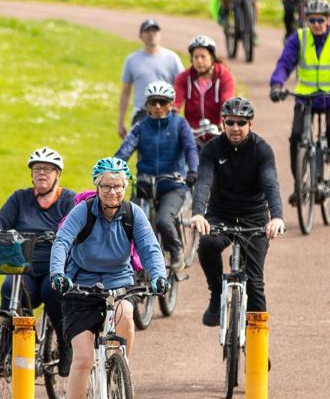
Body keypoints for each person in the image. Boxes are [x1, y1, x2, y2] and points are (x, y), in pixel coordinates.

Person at [50, 158, 168, 399]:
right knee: (84, 358)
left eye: (117, 186)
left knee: (126, 313)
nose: (112, 191)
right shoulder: (82, 212)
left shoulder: (133, 214)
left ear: (126, 186)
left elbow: (149, 247)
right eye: (106, 186)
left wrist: (158, 276)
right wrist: (58, 274)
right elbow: (62, 241)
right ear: (97, 187)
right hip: (81, 287)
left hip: (119, 283)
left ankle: (120, 368)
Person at [0, 148, 78, 368]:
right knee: (10, 288)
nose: (42, 173)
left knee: (53, 291)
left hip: (54, 267)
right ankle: (7, 345)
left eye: (47, 169)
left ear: (57, 174)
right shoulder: (20, 198)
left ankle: (65, 343)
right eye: (37, 169)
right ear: (31, 174)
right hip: (24, 268)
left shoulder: (69, 199)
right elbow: (0, 220)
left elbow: (77, 227)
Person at [190, 97, 285, 327]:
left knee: (254, 283)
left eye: (241, 123)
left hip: (253, 217)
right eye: (230, 122)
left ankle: (258, 350)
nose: (235, 128)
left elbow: (271, 184)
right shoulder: (212, 149)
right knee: (208, 245)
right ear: (223, 123)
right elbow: (203, 182)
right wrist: (198, 213)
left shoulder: (262, 150)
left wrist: (277, 217)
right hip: (220, 213)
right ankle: (216, 294)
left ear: (250, 124)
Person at [269, 0, 330, 199]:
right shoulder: (299, 38)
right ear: (306, 21)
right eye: (312, 21)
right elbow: (284, 64)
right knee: (295, 136)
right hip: (306, 97)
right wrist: (277, 84)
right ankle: (299, 184)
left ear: (329, 20)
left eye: (320, 20)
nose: (317, 25)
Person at [116, 81, 200, 271]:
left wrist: (193, 171)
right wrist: (113, 170)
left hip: (173, 186)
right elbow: (124, 151)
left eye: (162, 102)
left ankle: (176, 250)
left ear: (171, 104)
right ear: (147, 105)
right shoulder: (140, 127)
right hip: (145, 185)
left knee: (164, 220)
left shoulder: (180, 124)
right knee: (128, 221)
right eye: (153, 102)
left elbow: (190, 149)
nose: (157, 107)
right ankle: (128, 261)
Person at [118, 19, 183, 138]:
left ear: (160, 35)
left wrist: (176, 107)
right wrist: (121, 121)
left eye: (155, 31)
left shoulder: (172, 58)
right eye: (147, 31)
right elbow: (126, 91)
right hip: (142, 112)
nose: (151, 35)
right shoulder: (132, 60)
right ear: (141, 36)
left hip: (166, 111)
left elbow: (182, 85)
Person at [173, 35, 235, 139]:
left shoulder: (224, 76)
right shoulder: (184, 78)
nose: (199, 61)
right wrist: (170, 120)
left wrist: (223, 122)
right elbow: (175, 102)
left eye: (203, 56)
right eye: (196, 57)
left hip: (217, 134)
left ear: (212, 57)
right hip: (192, 135)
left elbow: (227, 102)